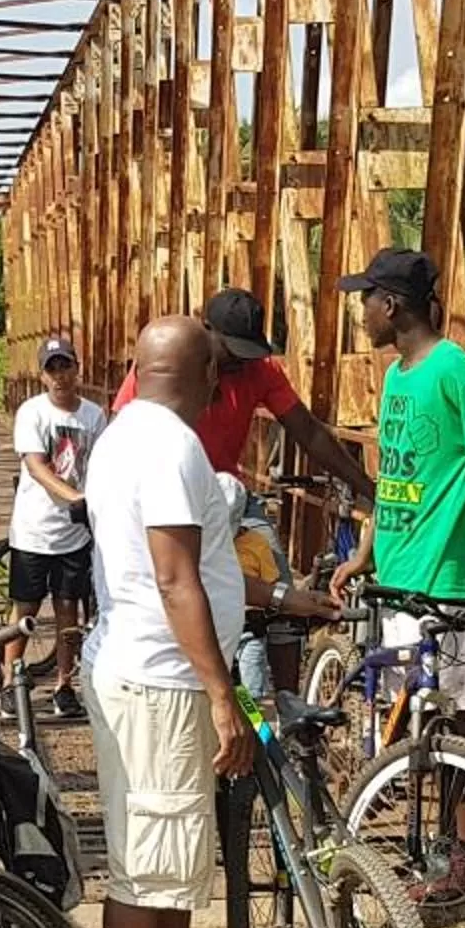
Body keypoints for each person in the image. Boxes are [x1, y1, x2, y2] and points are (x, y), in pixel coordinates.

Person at [81, 315, 271, 928]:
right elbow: (173, 578)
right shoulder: (170, 446)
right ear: (208, 378)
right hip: (160, 681)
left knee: (172, 851)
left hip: (153, 672)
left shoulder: (123, 433)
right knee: (145, 860)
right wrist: (223, 694)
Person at [332, 245, 465, 903]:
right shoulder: (398, 375)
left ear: (391, 305)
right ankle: (446, 851)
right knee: (424, 722)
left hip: (441, 578)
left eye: (366, 299)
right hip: (400, 574)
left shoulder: (454, 370)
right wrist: (367, 550)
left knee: (452, 725)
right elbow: (396, 476)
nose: (361, 311)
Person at [113, 286, 374, 685]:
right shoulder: (169, 366)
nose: (239, 362)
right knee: (177, 579)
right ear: (205, 331)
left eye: (248, 352)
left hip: (231, 495)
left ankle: (288, 704)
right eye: (232, 351)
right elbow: (124, 431)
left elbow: (307, 431)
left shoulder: (260, 370)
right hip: (174, 494)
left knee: (282, 591)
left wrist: (366, 487)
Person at [5, 337, 105, 721]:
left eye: (66, 366)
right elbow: (36, 465)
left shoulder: (94, 416)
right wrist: (75, 497)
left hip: (74, 532)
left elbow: (101, 463)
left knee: (68, 610)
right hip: (34, 529)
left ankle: (64, 685)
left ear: (78, 368)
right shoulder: (32, 412)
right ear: (42, 375)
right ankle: (11, 681)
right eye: (52, 369)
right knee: (25, 609)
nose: (60, 376)